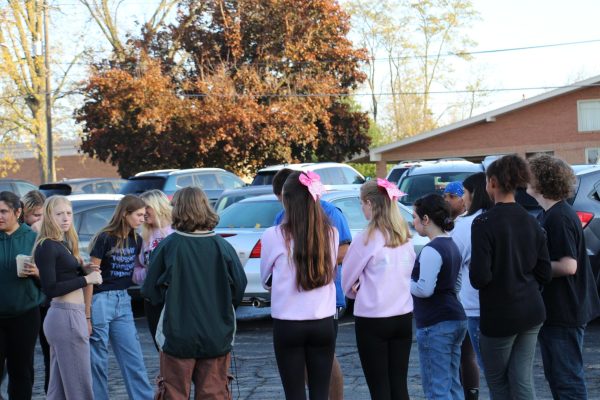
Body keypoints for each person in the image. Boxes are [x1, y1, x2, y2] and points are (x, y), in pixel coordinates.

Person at [142, 187, 247, 399]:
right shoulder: (222, 246)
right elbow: (239, 286)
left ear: (177, 209)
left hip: (177, 334)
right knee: (214, 393)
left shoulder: (168, 246)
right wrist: (223, 310)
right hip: (216, 333)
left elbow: (149, 290)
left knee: (174, 393)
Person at [470, 154, 552, 400]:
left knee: (498, 382)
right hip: (532, 311)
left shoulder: (483, 222)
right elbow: (544, 272)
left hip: (500, 315)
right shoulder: (532, 221)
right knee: (522, 379)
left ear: (492, 182)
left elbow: (480, 277)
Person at [272, 168, 350, 400]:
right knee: (301, 370)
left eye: (282, 199)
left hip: (324, 303)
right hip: (293, 306)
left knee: (326, 366)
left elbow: (344, 250)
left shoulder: (330, 214)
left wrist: (310, 265)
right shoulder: (280, 220)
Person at [528, 154, 600, 399]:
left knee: (566, 380)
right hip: (562, 309)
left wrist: (530, 268)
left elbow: (569, 266)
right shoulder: (553, 213)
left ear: (541, 182)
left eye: (531, 175)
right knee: (560, 377)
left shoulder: (558, 217)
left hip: (564, 310)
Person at [342, 178, 415, 400]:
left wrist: (359, 290)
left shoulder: (366, 239)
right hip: (402, 316)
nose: (361, 208)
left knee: (379, 387)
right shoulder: (405, 236)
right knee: (399, 384)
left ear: (370, 204)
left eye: (361, 203)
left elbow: (347, 282)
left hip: (373, 318)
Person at [33, 195, 103, 399]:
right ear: (48, 216)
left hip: (70, 317)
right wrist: (87, 279)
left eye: (69, 213)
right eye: (59, 214)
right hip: (66, 318)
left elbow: (63, 275)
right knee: (79, 387)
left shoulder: (60, 243)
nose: (65, 218)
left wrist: (82, 270)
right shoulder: (47, 245)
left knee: (60, 389)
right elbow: (50, 288)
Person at [88, 194, 154, 400]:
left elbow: (136, 271)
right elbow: (92, 275)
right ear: (125, 214)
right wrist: (86, 313)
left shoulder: (137, 239)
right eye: (139, 214)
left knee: (133, 357)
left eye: (144, 215)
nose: (142, 218)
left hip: (123, 301)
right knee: (97, 360)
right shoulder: (105, 237)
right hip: (100, 300)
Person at [411, 193, 467, 399]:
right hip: (456, 318)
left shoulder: (431, 250)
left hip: (436, 322)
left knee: (437, 386)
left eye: (415, 218)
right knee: (452, 382)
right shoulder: (452, 245)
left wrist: (405, 283)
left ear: (426, 220)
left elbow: (425, 289)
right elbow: (457, 283)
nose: (413, 222)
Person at [450, 173, 493, 400]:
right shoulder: (501, 217)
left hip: (475, 306)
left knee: (492, 372)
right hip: (510, 304)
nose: (463, 199)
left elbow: (453, 263)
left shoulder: (467, 224)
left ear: (473, 194)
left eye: (464, 193)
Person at [0, 191, 45, 399]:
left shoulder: (34, 238)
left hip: (25, 314)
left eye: (3, 211)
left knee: (22, 371)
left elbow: (51, 279)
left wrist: (37, 273)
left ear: (18, 212)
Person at [133, 189, 174, 350]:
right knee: (160, 345)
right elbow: (136, 271)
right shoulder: (143, 235)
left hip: (173, 297)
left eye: (146, 207)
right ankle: (166, 376)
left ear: (158, 206)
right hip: (152, 298)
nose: (142, 212)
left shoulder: (175, 231)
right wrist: (149, 272)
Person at [20, 189, 52, 393]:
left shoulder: (50, 236)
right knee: (23, 356)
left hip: (47, 300)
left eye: (43, 215)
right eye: (36, 215)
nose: (39, 220)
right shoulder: (21, 236)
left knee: (50, 353)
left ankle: (52, 393)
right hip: (27, 301)